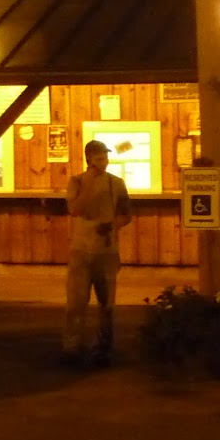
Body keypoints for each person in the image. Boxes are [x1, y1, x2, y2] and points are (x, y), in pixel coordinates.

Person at [61, 140, 131, 367]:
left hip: (107, 251)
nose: (104, 161)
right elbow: (76, 209)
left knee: (107, 305)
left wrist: (112, 226)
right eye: (99, 157)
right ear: (89, 158)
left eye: (105, 157)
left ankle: (104, 348)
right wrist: (91, 179)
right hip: (81, 251)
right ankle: (73, 348)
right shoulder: (77, 181)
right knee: (75, 303)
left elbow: (126, 214)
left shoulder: (116, 183)